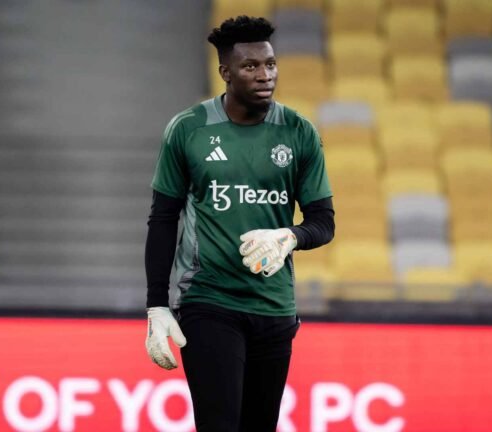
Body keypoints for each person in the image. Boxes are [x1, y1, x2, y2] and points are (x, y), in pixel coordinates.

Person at [144, 15, 335, 431]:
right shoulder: (189, 129)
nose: (265, 75)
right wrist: (157, 304)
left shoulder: (299, 132)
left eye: (270, 64)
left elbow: (323, 222)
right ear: (225, 73)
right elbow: (163, 218)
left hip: (275, 306)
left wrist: (290, 236)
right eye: (251, 66)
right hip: (209, 301)